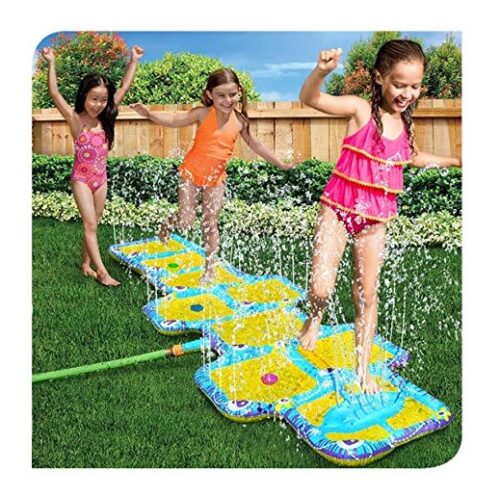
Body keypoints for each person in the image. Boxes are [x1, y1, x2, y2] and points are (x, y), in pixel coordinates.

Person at [298, 41, 460, 393]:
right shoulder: (359, 110)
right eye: (399, 84)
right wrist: (321, 73)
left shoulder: (405, 125)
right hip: (338, 212)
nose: (407, 93)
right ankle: (315, 317)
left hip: (374, 223)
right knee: (321, 287)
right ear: (379, 78)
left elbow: (412, 157)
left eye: (414, 86)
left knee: (367, 295)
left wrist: (455, 161)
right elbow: (312, 99)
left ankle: (362, 371)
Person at [131, 68, 299, 284]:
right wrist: (150, 114)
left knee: (210, 222)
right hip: (191, 174)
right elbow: (174, 119)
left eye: (232, 94)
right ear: (210, 95)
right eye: (221, 95)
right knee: (186, 220)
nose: (227, 100)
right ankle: (168, 224)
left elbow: (256, 145)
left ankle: (209, 269)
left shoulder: (240, 121)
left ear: (239, 91)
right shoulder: (203, 113)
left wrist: (281, 164)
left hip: (216, 179)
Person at [42, 45, 144, 286]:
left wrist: (134, 60)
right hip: (81, 179)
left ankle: (85, 264)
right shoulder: (76, 119)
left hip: (101, 180)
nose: (98, 104)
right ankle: (102, 272)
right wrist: (52, 63)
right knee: (89, 224)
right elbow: (55, 94)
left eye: (103, 99)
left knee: (93, 225)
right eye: (94, 99)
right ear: (84, 97)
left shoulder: (107, 116)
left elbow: (124, 87)